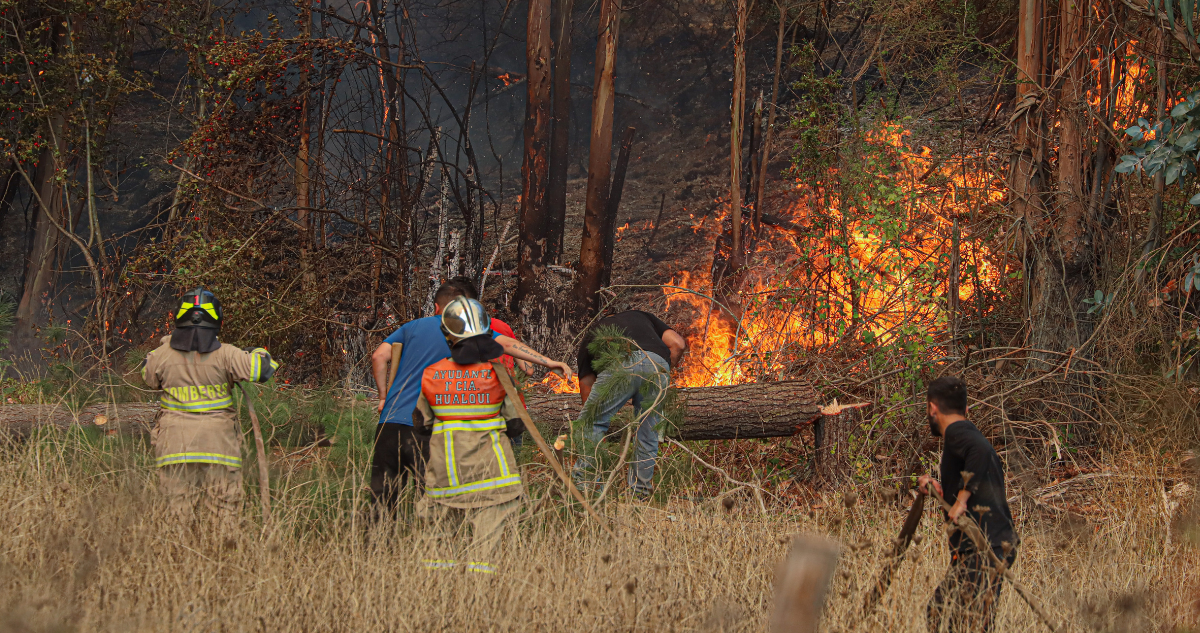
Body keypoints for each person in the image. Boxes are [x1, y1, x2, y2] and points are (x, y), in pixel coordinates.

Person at [368, 281, 572, 517]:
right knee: (443, 504)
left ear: (436, 307)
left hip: (390, 425)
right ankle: (442, 551)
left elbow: (379, 357)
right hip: (428, 430)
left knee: (381, 502)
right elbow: (508, 344)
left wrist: (384, 396)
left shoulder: (412, 327)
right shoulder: (463, 330)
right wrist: (549, 362)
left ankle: (376, 548)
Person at [141, 287, 280, 530]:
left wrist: (164, 345)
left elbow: (147, 375)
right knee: (223, 515)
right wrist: (256, 352)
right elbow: (264, 369)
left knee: (176, 517)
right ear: (217, 319)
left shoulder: (162, 354)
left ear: (179, 318)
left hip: (176, 448)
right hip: (219, 449)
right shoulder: (228, 354)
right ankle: (220, 560)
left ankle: (177, 562)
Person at [413, 296, 529, 573]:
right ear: (487, 331)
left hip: (445, 476)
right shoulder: (498, 374)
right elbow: (515, 424)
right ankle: (480, 600)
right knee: (485, 555)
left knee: (436, 548)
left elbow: (421, 424)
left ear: (447, 336)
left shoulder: (431, 374)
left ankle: (437, 595)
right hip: (493, 476)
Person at [917, 376, 1018, 633]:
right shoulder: (963, 433)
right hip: (983, 546)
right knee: (940, 612)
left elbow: (981, 451)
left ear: (932, 408)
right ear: (966, 408)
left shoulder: (957, 433)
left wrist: (961, 501)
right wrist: (941, 489)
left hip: (984, 546)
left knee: (967, 624)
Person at [571, 309, 687, 499]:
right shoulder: (643, 316)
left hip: (620, 362)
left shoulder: (594, 332)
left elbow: (586, 386)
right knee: (648, 432)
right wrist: (661, 373)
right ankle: (639, 495)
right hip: (658, 364)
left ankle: (587, 491)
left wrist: (595, 424)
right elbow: (678, 344)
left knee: (590, 424)